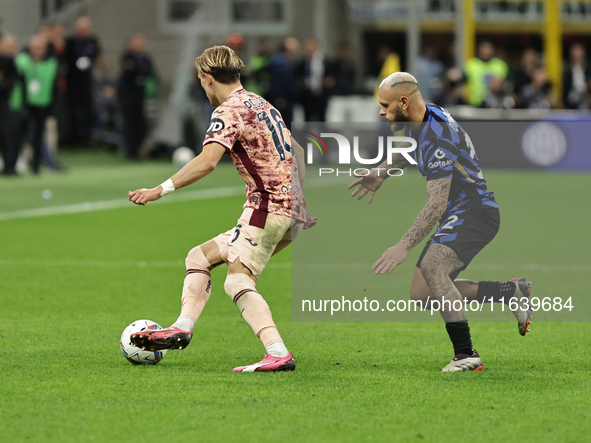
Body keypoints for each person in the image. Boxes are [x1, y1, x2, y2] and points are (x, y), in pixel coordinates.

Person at [128, 45, 316, 372]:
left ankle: (277, 352)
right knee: (199, 256)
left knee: (237, 281)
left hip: (267, 208)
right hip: (290, 212)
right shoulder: (262, 103)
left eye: (202, 82)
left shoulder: (228, 110)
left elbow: (208, 162)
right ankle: (182, 328)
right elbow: (297, 148)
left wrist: (160, 190)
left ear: (208, 78)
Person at [348, 72, 531, 372]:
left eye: (384, 104)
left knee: (434, 268)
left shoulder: (437, 136)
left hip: (476, 211)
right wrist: (381, 170)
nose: (381, 111)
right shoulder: (423, 115)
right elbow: (411, 149)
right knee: (422, 294)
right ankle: (511, 292)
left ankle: (466, 355)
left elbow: (436, 203)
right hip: (462, 211)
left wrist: (402, 246)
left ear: (404, 102)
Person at [15, 35, 58, 174]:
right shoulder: (22, 60)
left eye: (40, 48)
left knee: (38, 134)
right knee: (22, 133)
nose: (37, 51)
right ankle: (18, 161)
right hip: (24, 103)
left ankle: (36, 165)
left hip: (42, 104)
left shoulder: (51, 63)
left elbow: (48, 81)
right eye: (35, 48)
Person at [64, 16, 109, 145]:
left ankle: (86, 139)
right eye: (81, 29)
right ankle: (71, 139)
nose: (84, 31)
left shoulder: (93, 41)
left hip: (87, 81)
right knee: (72, 111)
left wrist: (107, 75)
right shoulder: (70, 42)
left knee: (88, 110)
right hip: (72, 81)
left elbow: (100, 58)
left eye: (86, 29)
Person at [118, 33, 155, 159]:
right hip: (128, 96)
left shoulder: (145, 58)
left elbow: (149, 71)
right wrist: (139, 71)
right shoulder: (126, 57)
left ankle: (137, 149)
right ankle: (130, 152)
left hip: (140, 96)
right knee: (129, 124)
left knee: (142, 125)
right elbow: (130, 72)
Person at [296, 38, 335, 122]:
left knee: (322, 118)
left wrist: (329, 82)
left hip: (322, 94)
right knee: (307, 118)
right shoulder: (304, 61)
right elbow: (298, 75)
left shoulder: (326, 61)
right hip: (308, 94)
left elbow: (333, 76)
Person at [464, 40, 508, 107]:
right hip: (474, 104)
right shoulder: (471, 64)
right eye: (484, 48)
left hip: (493, 104)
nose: (486, 51)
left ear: (493, 50)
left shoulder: (500, 65)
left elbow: (505, 85)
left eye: (488, 49)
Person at [0, 35, 20, 175]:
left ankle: (10, 166)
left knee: (9, 136)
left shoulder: (9, 61)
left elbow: (13, 81)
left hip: (7, 104)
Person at [562, 43, 591, 109]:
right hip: (571, 106)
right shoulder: (566, 71)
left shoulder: (589, 69)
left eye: (579, 56)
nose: (577, 59)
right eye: (574, 56)